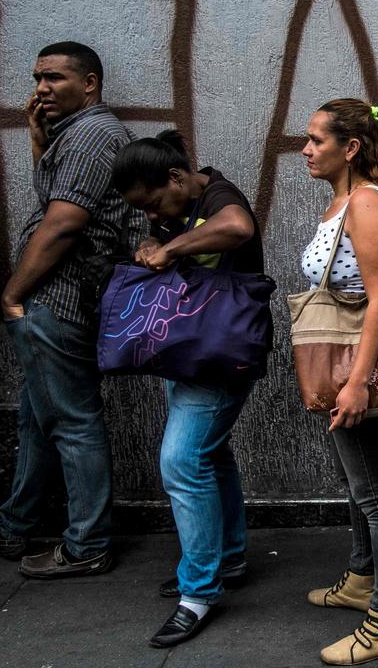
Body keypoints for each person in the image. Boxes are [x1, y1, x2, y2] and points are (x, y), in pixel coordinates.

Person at [0, 42, 132, 577]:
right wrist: (41, 141)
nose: (41, 87)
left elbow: (63, 221)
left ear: (89, 83)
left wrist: (13, 293)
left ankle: (87, 544)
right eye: (38, 78)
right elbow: (54, 196)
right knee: (37, 420)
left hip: (58, 300)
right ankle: (15, 526)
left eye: (55, 78)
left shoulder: (90, 137)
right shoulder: (74, 136)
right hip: (56, 301)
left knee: (72, 422)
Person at [110, 130, 267, 647]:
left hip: (218, 355)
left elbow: (238, 227)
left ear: (177, 177)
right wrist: (159, 242)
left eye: (154, 202)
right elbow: (173, 242)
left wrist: (171, 246)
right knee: (210, 455)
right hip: (190, 349)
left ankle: (197, 593)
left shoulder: (219, 194)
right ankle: (230, 557)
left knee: (181, 462)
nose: (153, 214)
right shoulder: (177, 208)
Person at [300, 99, 378, 665]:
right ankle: (363, 578)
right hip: (344, 365)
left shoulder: (366, 203)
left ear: (351, 148)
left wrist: (358, 382)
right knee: (359, 486)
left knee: (377, 496)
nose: (305, 149)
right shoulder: (344, 200)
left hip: (355, 369)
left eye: (317, 140)